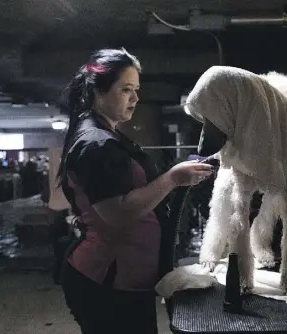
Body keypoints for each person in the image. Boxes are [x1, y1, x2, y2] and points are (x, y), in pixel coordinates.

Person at [56, 48, 214, 334]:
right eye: (126, 89)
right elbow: (116, 212)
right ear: (98, 92)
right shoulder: (96, 144)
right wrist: (173, 179)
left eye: (136, 89)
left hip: (126, 281)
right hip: (107, 284)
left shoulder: (108, 136)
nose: (136, 98)